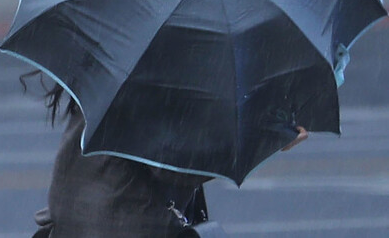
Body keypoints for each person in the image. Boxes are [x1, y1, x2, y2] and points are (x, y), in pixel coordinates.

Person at [27, 77, 308, 237]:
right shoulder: (147, 84)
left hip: (71, 227)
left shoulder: (105, 74)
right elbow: (174, 167)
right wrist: (263, 140)